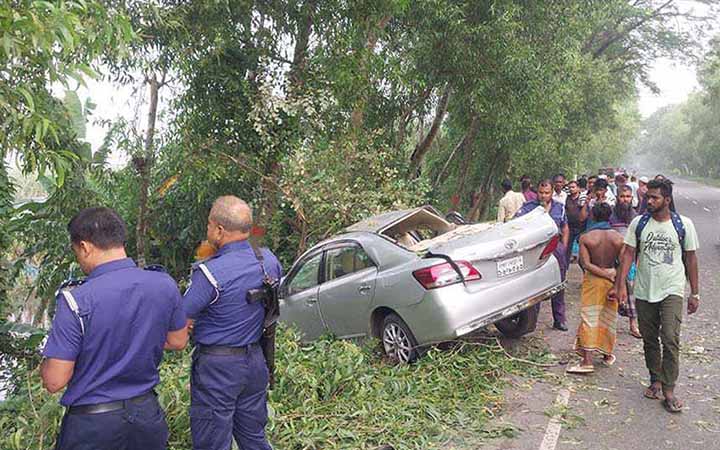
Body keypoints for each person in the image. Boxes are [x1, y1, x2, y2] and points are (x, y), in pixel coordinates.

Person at [41, 207, 188, 450]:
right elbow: (178, 341)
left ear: (85, 247)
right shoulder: (163, 284)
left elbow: (55, 380)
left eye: (77, 251)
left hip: (93, 426)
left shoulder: (76, 301)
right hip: (146, 417)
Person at [183, 196, 282, 450]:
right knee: (254, 438)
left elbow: (180, 316)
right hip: (255, 362)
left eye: (208, 225)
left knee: (212, 443)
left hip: (218, 369)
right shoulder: (268, 261)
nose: (207, 231)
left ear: (219, 229)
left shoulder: (210, 273)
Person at [610, 179, 700, 414]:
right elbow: (627, 253)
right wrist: (620, 285)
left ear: (667, 200)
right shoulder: (639, 224)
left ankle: (669, 390)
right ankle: (655, 379)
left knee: (670, 338)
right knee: (650, 339)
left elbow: (691, 258)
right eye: (647, 197)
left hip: (672, 289)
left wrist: (695, 293)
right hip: (643, 290)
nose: (648, 201)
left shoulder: (684, 225)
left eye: (654, 198)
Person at [567, 203, 624, 374]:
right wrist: (612, 277)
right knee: (608, 317)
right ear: (609, 217)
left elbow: (586, 264)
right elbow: (623, 264)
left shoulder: (586, 238)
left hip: (593, 280)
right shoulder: (618, 238)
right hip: (612, 280)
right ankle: (607, 355)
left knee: (589, 317)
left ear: (592, 216)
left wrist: (603, 274)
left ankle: (587, 361)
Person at [515, 180, 570, 331]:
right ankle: (532, 320)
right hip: (536, 251)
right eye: (541, 192)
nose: (543, 196)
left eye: (547, 193)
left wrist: (563, 247)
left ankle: (559, 319)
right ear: (537, 192)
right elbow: (516, 226)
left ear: (552, 193)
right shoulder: (527, 208)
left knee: (559, 283)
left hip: (556, 249)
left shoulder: (560, 207)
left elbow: (565, 228)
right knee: (535, 283)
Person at [609, 185, 641, 338]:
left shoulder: (635, 217)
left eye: (628, 197)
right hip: (610, 258)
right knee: (610, 290)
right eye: (622, 196)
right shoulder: (610, 215)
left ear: (632, 198)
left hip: (630, 259)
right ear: (617, 198)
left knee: (631, 291)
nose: (625, 199)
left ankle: (633, 324)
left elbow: (639, 242)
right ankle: (609, 325)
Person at [564, 180, 586, 263]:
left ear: (578, 188)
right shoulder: (566, 198)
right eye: (570, 187)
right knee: (567, 246)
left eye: (573, 187)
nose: (571, 189)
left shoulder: (582, 198)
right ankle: (565, 264)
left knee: (582, 246)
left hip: (581, 226)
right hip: (569, 226)